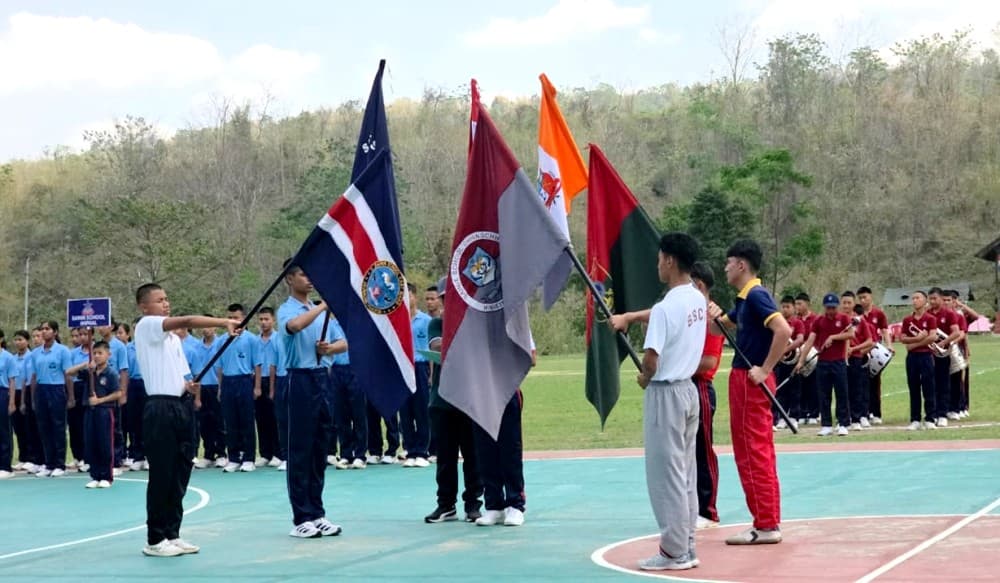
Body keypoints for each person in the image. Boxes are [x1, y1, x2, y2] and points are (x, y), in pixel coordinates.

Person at [133, 282, 240, 557]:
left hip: (180, 406)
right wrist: (224, 321)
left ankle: (172, 532)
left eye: (167, 299)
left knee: (181, 471)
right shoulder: (147, 326)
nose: (165, 303)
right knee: (162, 474)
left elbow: (181, 379)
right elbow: (190, 320)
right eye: (159, 300)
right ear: (144, 306)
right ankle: (155, 539)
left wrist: (188, 387)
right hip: (159, 409)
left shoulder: (173, 341)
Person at [708, 239, 791, 545]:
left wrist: (766, 368)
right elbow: (719, 329)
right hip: (746, 379)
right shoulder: (744, 299)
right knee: (756, 449)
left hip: (751, 379)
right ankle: (766, 519)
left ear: (741, 264)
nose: (725, 268)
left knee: (751, 450)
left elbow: (783, 330)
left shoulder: (756, 295)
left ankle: (766, 524)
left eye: (728, 263)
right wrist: (713, 313)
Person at [631, 233, 705, 572]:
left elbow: (651, 358)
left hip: (666, 393)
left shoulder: (664, 308)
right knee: (685, 471)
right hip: (689, 389)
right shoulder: (697, 299)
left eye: (661, 258)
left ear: (671, 261)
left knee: (666, 474)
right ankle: (686, 542)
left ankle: (673, 550)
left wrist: (644, 378)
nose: (658, 264)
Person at [277, 260, 346, 539]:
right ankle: (301, 516)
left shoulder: (321, 311)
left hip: (322, 378)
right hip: (299, 379)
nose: (309, 280)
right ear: (289, 280)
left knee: (320, 449)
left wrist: (329, 349)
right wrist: (322, 306)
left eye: (311, 274)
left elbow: (344, 341)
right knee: (300, 450)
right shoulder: (289, 309)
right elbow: (293, 327)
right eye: (304, 275)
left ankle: (317, 513)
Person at [424, 283, 483, 524]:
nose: (450, 301)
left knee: (473, 456)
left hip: (470, 399)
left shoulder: (476, 322)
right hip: (442, 400)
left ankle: (473, 504)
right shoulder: (436, 323)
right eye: (445, 297)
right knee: (446, 458)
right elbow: (437, 346)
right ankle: (446, 505)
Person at [797, 293, 854, 436]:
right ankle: (826, 424)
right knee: (824, 394)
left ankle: (842, 423)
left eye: (833, 308)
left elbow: (850, 334)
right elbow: (810, 340)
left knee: (841, 393)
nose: (831, 311)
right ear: (824, 307)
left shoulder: (844, 318)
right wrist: (801, 361)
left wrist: (833, 337)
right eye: (828, 308)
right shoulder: (818, 321)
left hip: (838, 362)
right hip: (823, 362)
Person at [217, 303, 263, 473]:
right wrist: (221, 388)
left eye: (236, 318)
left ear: (243, 319)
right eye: (230, 318)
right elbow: (220, 367)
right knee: (230, 421)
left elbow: (257, 365)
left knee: (247, 421)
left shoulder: (252, 339)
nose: (233, 321)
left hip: (244, 381)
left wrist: (257, 387)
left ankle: (249, 458)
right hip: (228, 382)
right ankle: (234, 457)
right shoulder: (222, 340)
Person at [28, 321, 74, 478]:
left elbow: (68, 374)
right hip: (41, 389)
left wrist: (71, 396)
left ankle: (60, 463)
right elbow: (34, 376)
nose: (44, 332)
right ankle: (49, 463)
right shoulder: (35, 353)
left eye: (47, 329)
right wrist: (34, 399)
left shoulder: (62, 351)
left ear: (55, 332)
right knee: (44, 427)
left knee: (58, 427)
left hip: (57, 389)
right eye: (42, 329)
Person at [327, 315, 367, 470]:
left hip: (355, 369)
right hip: (336, 370)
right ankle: (345, 454)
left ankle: (360, 454)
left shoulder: (357, 323)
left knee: (358, 414)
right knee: (341, 415)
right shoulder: (330, 324)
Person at [399, 283, 431, 468]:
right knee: (405, 410)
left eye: (408, 294)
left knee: (421, 410)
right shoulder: (397, 320)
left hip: (420, 366)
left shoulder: (425, 320)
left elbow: (430, 349)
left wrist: (430, 375)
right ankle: (410, 449)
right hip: (403, 367)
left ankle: (422, 451)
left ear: (414, 297)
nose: (405, 298)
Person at [83, 341, 122, 489]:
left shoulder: (111, 373)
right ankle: (95, 475)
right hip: (90, 411)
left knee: (105, 443)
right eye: (95, 353)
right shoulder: (90, 372)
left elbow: (118, 393)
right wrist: (86, 366)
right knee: (92, 442)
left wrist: (100, 400)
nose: (97, 356)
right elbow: (69, 372)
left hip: (105, 411)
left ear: (108, 354)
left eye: (100, 353)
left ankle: (107, 476)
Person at [191, 318, 227, 468]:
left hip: (216, 386)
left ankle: (221, 453)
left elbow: (223, 368)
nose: (206, 329)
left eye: (209, 326)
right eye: (203, 326)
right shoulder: (196, 346)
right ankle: (208, 454)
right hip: (202, 387)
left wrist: (221, 387)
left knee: (219, 421)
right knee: (204, 423)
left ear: (215, 328)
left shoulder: (221, 344)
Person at [901, 291, 938, 430]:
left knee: (928, 387)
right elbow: (902, 338)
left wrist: (914, 344)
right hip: (912, 358)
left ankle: (930, 418)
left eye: (917, 298)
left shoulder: (930, 318)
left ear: (924, 301)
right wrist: (917, 338)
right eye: (913, 298)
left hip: (926, 356)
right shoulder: (907, 320)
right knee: (914, 388)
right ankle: (915, 419)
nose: (914, 300)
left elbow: (932, 337)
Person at [926, 288, 962, 427]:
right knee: (930, 384)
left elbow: (956, 333)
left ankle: (942, 413)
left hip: (943, 353)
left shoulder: (949, 314)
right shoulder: (926, 313)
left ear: (941, 298)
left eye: (935, 298)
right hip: (928, 354)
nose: (932, 301)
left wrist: (942, 342)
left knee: (943, 383)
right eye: (930, 298)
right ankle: (932, 413)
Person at [10, 330, 43, 472]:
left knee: (29, 426)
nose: (18, 342)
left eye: (21, 339)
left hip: (30, 391)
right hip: (14, 393)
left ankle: (32, 457)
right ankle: (23, 457)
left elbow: (27, 379)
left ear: (27, 341)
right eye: (16, 339)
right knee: (18, 427)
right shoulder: (12, 358)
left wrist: (24, 399)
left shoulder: (31, 356)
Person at [856, 286, 890, 424]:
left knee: (874, 383)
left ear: (871, 297)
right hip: (861, 351)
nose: (863, 300)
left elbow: (884, 330)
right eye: (860, 298)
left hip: (875, 351)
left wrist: (889, 345)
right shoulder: (857, 314)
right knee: (860, 384)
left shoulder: (878, 313)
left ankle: (876, 413)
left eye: (865, 297)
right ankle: (864, 412)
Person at [257, 307, 284, 468]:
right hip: (259, 381)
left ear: (273, 320)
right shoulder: (255, 340)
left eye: (266, 319)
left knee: (276, 418)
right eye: (261, 319)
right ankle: (265, 453)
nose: (263, 322)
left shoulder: (278, 338)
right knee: (261, 418)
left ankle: (278, 453)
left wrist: (273, 388)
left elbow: (275, 364)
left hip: (275, 380)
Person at [774, 296, 805, 429]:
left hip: (793, 361)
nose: (785, 310)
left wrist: (785, 350)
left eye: (788, 307)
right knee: (781, 390)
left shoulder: (797, 323)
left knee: (795, 390)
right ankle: (782, 416)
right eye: (783, 307)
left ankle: (794, 416)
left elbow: (800, 340)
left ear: (794, 308)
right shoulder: (778, 322)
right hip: (780, 362)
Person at [845, 301, 874, 430]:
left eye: (848, 303)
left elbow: (870, 341)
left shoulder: (861, 323)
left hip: (856, 358)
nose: (846, 306)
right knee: (844, 390)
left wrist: (855, 349)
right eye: (843, 303)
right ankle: (845, 418)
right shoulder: (840, 320)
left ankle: (859, 416)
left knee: (858, 388)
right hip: (840, 359)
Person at [67, 327, 92, 472]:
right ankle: (77, 456)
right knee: (75, 424)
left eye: (84, 334)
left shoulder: (96, 351)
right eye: (79, 335)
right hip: (76, 387)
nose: (82, 337)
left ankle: (87, 457)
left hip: (90, 387)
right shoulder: (73, 353)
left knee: (86, 424)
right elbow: (70, 372)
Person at [793, 293, 819, 425]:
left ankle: (814, 413)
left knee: (813, 385)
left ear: (807, 304)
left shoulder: (815, 319)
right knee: (799, 385)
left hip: (812, 356)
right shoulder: (795, 320)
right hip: (798, 357)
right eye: (796, 304)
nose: (797, 307)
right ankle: (802, 412)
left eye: (800, 304)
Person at [0, 341, 14, 479]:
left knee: (3, 430)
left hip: (2, 392)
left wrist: (11, 402)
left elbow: (12, 381)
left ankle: (5, 466)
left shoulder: (8, 357)